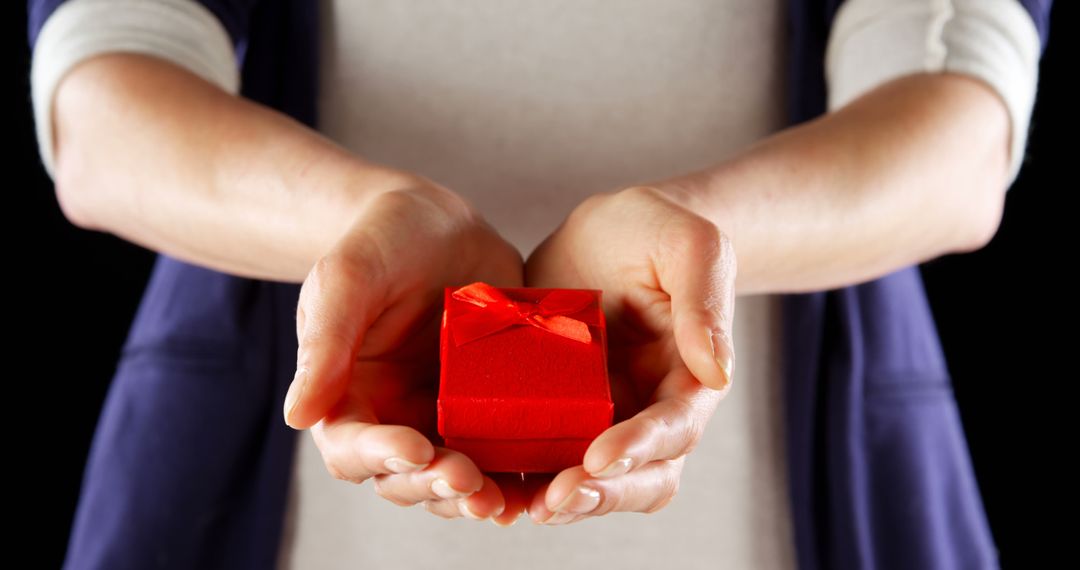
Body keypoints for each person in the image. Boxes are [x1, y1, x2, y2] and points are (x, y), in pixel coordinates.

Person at [27, 0, 1051, 568]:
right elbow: (106, 106)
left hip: (775, 501)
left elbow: (959, 128)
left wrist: (701, 241)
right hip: (310, 490)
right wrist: (359, 226)